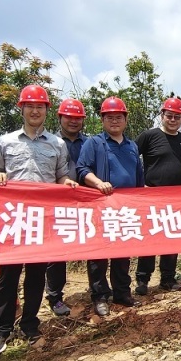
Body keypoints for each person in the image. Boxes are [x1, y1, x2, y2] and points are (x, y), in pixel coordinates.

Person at [0, 85, 78, 357]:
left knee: (36, 275)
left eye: (40, 106)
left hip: (42, 219)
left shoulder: (57, 144)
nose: (35, 110)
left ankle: (29, 324)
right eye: (30, 106)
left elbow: (61, 176)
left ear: (47, 111)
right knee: (8, 277)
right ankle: (0, 330)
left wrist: (67, 183)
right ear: (22, 109)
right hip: (14, 219)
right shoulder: (6, 141)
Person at [76, 97, 144, 315]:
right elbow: (82, 169)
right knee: (99, 254)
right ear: (102, 120)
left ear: (125, 120)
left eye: (119, 117)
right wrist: (98, 183)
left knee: (123, 253)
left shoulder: (132, 146)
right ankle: (99, 296)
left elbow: (138, 178)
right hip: (101, 207)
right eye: (109, 117)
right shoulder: (94, 143)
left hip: (125, 209)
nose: (114, 121)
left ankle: (122, 293)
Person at [134, 97, 181, 294]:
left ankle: (168, 278)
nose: (172, 120)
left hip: (177, 199)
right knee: (150, 239)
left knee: (172, 238)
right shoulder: (149, 136)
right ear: (162, 115)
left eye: (177, 117)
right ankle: (143, 280)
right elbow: (130, 155)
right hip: (151, 196)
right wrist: (138, 183)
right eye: (169, 116)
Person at [45, 98, 87, 318]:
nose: (73, 121)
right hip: (56, 203)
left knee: (95, 247)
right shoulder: (49, 142)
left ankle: (98, 292)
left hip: (85, 202)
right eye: (68, 117)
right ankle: (55, 296)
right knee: (56, 252)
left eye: (77, 118)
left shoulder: (89, 143)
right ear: (59, 117)